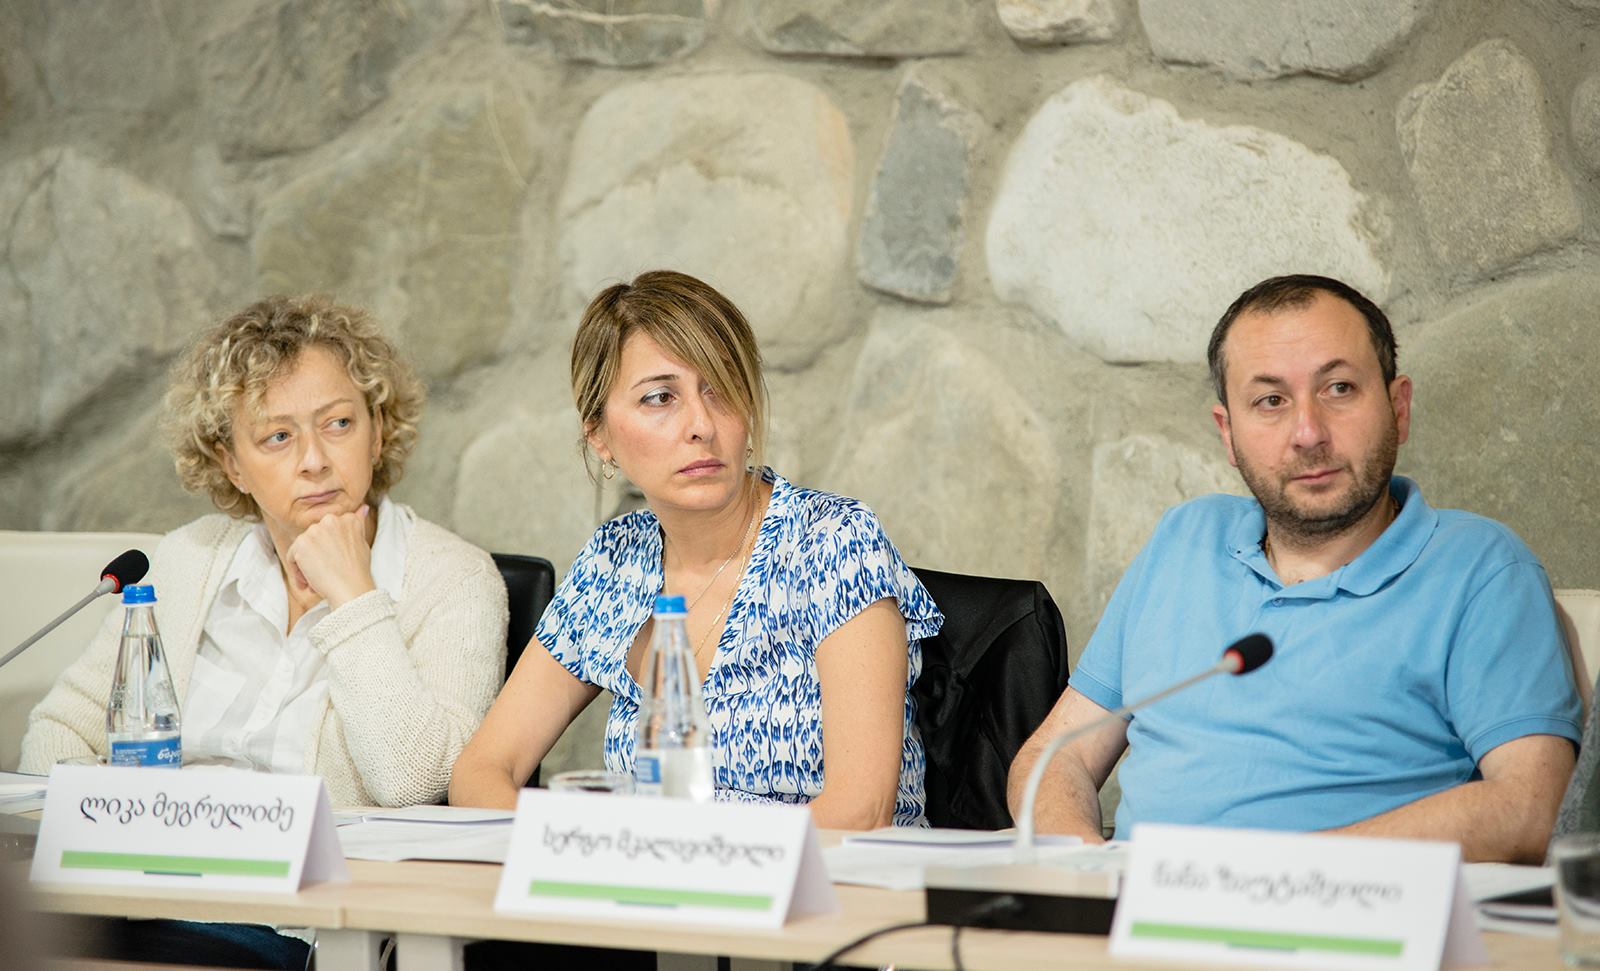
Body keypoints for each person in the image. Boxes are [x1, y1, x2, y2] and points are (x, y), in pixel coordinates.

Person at [1009, 274, 1580, 863]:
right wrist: (1081, 863)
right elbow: (1058, 756)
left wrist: (1271, 878)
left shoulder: (1481, 567)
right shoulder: (1183, 539)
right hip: (1131, 908)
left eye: (1339, 388)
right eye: (1271, 401)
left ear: (1398, 407)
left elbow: (1530, 806)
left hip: (1337, 912)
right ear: (1228, 434)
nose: (1308, 434)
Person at [450, 270, 941, 829]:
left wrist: (694, 864)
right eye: (660, 398)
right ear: (600, 437)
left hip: (825, 878)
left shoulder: (833, 543)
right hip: (654, 874)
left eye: (720, 387)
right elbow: (480, 771)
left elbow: (860, 810)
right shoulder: (615, 562)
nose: (701, 425)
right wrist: (577, 848)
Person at [21, 294, 509, 809]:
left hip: (328, 860)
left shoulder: (455, 580)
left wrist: (354, 598)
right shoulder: (189, 558)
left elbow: (419, 785)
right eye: (278, 436)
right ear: (232, 464)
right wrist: (114, 814)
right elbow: (61, 728)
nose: (314, 460)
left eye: (339, 423)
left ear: (377, 433)